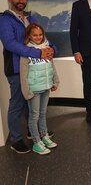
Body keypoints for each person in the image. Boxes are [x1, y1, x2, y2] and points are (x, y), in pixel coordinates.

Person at [0, 0, 54, 154]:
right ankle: (16, 139)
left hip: (33, 69)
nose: (20, 0)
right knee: (17, 104)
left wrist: (52, 49)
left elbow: (41, 38)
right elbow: (10, 44)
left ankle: (34, 132)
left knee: (30, 103)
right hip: (16, 69)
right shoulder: (5, 20)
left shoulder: (28, 18)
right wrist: (38, 52)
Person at [20, 23, 59, 155]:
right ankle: (36, 142)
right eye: (35, 35)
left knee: (43, 114)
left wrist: (55, 81)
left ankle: (44, 136)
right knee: (34, 116)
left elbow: (51, 66)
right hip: (34, 89)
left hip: (46, 87)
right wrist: (27, 92)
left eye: (40, 34)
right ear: (29, 36)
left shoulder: (47, 48)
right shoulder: (26, 51)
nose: (38, 37)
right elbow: (23, 73)